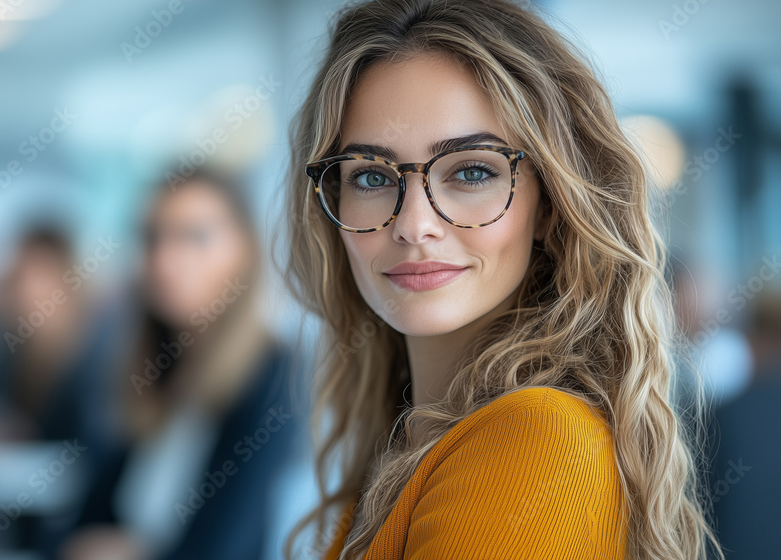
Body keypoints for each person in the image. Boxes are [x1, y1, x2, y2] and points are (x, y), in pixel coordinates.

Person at [281, 1, 723, 559]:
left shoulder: (536, 442)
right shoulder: (408, 443)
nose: (414, 225)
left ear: (549, 207)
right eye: (370, 175)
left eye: (471, 171)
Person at [58, 169, 301, 560]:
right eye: (153, 237)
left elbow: (227, 547)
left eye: (195, 237)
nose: (165, 260)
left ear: (245, 251)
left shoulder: (275, 377)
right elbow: (87, 522)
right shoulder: (157, 369)